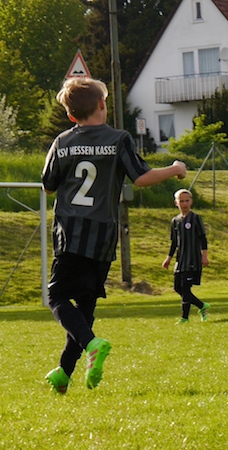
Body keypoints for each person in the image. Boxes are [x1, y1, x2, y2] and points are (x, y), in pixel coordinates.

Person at [41, 77, 187, 394]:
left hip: (71, 233)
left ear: (71, 115)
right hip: (103, 236)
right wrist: (175, 169)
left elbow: (48, 185)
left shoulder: (62, 142)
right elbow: (141, 177)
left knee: (55, 297)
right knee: (85, 306)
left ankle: (91, 344)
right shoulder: (119, 139)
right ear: (102, 105)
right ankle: (65, 373)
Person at [162, 189, 210, 324]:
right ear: (176, 203)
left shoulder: (195, 218)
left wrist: (204, 256)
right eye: (181, 201)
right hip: (180, 260)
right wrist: (168, 258)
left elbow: (203, 238)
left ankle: (184, 318)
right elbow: (174, 242)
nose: (184, 203)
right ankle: (202, 305)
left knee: (185, 288)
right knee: (177, 287)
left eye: (187, 200)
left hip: (192, 259)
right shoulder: (175, 221)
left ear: (191, 202)